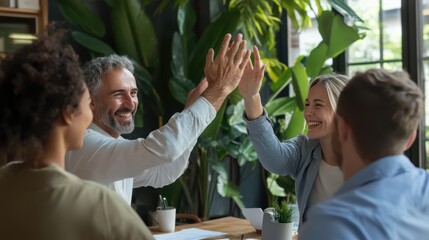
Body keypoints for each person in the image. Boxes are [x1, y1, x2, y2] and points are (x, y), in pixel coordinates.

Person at [0, 25, 154, 239]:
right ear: (67, 113)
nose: (91, 113)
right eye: (88, 103)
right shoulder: (100, 205)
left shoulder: (4, 182)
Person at [66, 33, 251, 204]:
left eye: (134, 93)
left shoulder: (112, 145)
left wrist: (193, 108)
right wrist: (218, 90)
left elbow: (164, 172)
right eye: (118, 94)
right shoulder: (86, 144)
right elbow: (166, 149)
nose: (131, 104)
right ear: (91, 101)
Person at [300, 69, 429, 239]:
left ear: (342, 129)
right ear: (410, 139)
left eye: (318, 104)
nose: (308, 112)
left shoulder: (329, 224)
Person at [238, 46, 349, 229]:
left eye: (318, 105)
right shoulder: (305, 149)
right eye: (307, 104)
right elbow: (275, 160)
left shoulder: (365, 159)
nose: (308, 112)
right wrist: (251, 97)